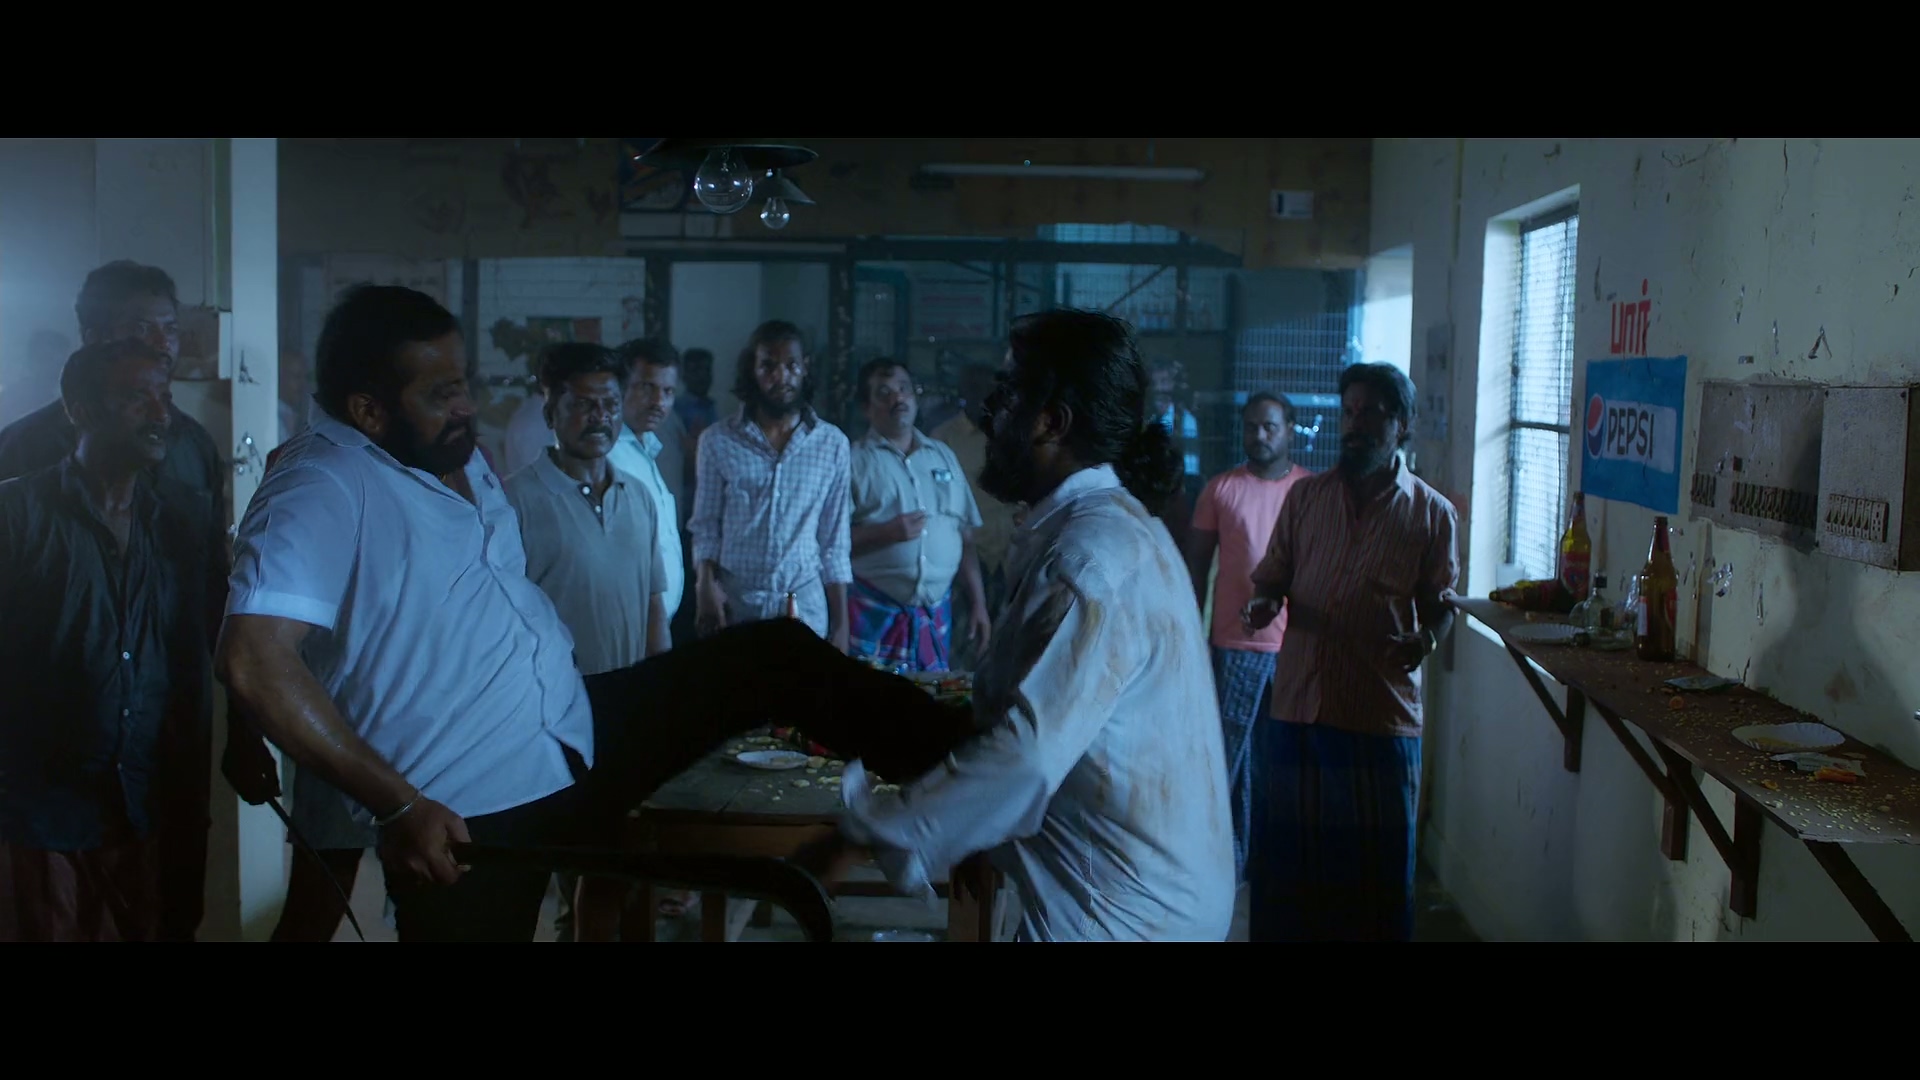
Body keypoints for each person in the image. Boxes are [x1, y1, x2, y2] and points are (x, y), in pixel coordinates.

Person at [799, 308, 1237, 942]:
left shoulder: (1091, 560)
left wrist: (863, 835)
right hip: (1141, 899)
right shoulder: (1106, 528)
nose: (987, 411)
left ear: (1051, 422)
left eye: (1007, 393)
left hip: (1125, 917)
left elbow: (1025, 757)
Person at [0, 339, 226, 942]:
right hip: (40, 808)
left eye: (165, 396)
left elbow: (202, 645)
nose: (160, 414)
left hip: (145, 803)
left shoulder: (180, 520)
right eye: (136, 397)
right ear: (80, 410)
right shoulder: (16, 513)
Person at [1241, 362, 1459, 943]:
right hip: (1300, 709)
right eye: (1349, 412)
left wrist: (1426, 640)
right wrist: (1263, 604)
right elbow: (1272, 577)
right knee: (1289, 876)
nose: (1355, 424)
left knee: (1375, 883)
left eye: (1371, 413)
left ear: (1402, 424)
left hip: (1378, 717)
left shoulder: (1432, 514)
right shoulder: (1306, 498)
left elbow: (1442, 604)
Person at [504, 342, 670, 941]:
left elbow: (653, 606)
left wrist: (659, 698)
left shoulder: (638, 497)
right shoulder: (515, 502)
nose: (599, 417)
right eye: (581, 404)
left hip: (623, 714)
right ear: (550, 409)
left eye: (609, 404)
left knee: (613, 877)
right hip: (547, 721)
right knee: (563, 870)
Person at [1186, 392, 1308, 883]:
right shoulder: (1221, 489)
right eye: (1251, 426)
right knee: (1230, 761)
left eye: (1269, 426)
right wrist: (1192, 639)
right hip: (1234, 646)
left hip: (1296, 649)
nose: (1259, 435)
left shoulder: (1311, 492)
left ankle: (1279, 864)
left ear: (1290, 430)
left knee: (1287, 761)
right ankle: (1227, 864)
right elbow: (1196, 568)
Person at [0, 261, 224, 503]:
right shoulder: (23, 446)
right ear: (95, 339)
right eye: (142, 328)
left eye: (170, 329)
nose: (163, 344)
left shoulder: (194, 445)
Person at [689, 321, 851, 650]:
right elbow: (706, 526)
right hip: (737, 608)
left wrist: (842, 625)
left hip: (805, 608)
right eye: (768, 366)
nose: (781, 377)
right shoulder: (718, 440)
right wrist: (705, 586)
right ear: (752, 369)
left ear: (805, 367)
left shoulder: (832, 443)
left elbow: (834, 541)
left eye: (791, 365)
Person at [846, 358, 990, 672]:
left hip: (935, 614)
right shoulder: (852, 461)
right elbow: (829, 546)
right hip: (874, 614)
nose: (898, 398)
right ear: (866, 408)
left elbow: (965, 537)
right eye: (884, 393)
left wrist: (979, 604)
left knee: (929, 701)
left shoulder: (943, 455)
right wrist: (886, 534)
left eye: (904, 389)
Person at [930, 362, 1022, 672]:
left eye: (990, 391)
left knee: (1009, 650)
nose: (984, 399)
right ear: (963, 393)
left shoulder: (1012, 437)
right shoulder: (942, 439)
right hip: (967, 558)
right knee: (965, 644)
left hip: (1011, 555)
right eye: (976, 390)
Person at [608, 338, 686, 623]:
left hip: (656, 622)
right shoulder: (607, 456)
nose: (659, 402)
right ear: (619, 388)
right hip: (628, 620)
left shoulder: (646, 450)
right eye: (646, 388)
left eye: (668, 391)